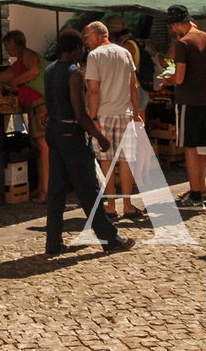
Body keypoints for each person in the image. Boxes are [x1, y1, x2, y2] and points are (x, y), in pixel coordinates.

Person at [44, 29, 135, 256]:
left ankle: (53, 242)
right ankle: (110, 239)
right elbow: (80, 113)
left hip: (54, 130)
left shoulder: (50, 70)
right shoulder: (75, 74)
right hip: (71, 134)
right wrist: (100, 137)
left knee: (56, 190)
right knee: (88, 189)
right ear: (76, 49)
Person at [163, 4, 206, 210]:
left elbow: (179, 78)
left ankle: (196, 194)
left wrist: (167, 80)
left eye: (172, 26)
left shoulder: (183, 43)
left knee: (190, 148)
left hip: (188, 101)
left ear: (177, 23)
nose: (172, 31)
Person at [83, 21, 143, 219]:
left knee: (106, 159)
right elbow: (133, 86)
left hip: (103, 114)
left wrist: (92, 117)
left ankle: (111, 205)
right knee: (126, 160)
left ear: (99, 34)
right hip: (124, 112)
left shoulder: (94, 56)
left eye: (87, 37)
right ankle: (127, 204)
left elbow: (93, 90)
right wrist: (135, 113)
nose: (86, 41)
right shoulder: (125, 52)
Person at [0, 28, 47, 206]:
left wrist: (15, 82)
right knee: (38, 146)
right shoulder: (18, 62)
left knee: (44, 147)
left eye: (8, 45)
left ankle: (46, 190)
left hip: (40, 105)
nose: (7, 49)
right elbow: (2, 77)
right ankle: (41, 187)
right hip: (33, 106)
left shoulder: (27, 54)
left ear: (16, 43)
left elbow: (35, 71)